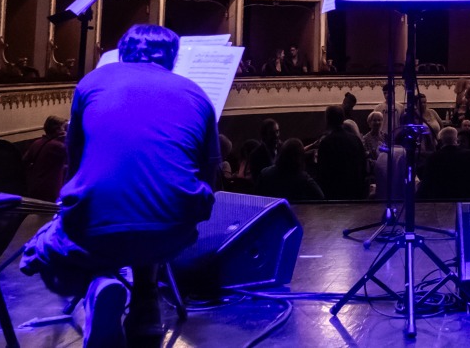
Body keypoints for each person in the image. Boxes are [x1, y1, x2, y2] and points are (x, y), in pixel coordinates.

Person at [21, 25, 218, 348]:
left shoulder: (92, 83)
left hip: (99, 222)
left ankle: (100, 284)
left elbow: (75, 158)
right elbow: (209, 171)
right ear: (172, 57)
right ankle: (146, 304)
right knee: (149, 208)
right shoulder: (197, 93)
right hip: (173, 228)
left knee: (48, 243)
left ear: (122, 52)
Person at [418, 127, 470, 200]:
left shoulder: (433, 158)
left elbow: (424, 178)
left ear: (440, 141)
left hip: (442, 198)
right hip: (468, 196)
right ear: (456, 140)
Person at [315, 104, 369, 200]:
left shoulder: (326, 142)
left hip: (335, 193)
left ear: (327, 120)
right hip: (354, 191)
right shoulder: (355, 139)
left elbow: (322, 170)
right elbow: (363, 164)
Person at [258, 139, 326, 203]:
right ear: (300, 158)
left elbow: (258, 197)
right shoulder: (303, 178)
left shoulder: (265, 173)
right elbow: (320, 196)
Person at [22, 116, 68, 202]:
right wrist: (67, 138)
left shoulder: (37, 142)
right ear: (58, 130)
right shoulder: (57, 146)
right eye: (64, 128)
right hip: (50, 190)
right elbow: (75, 156)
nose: (65, 130)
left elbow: (24, 161)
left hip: (34, 187)